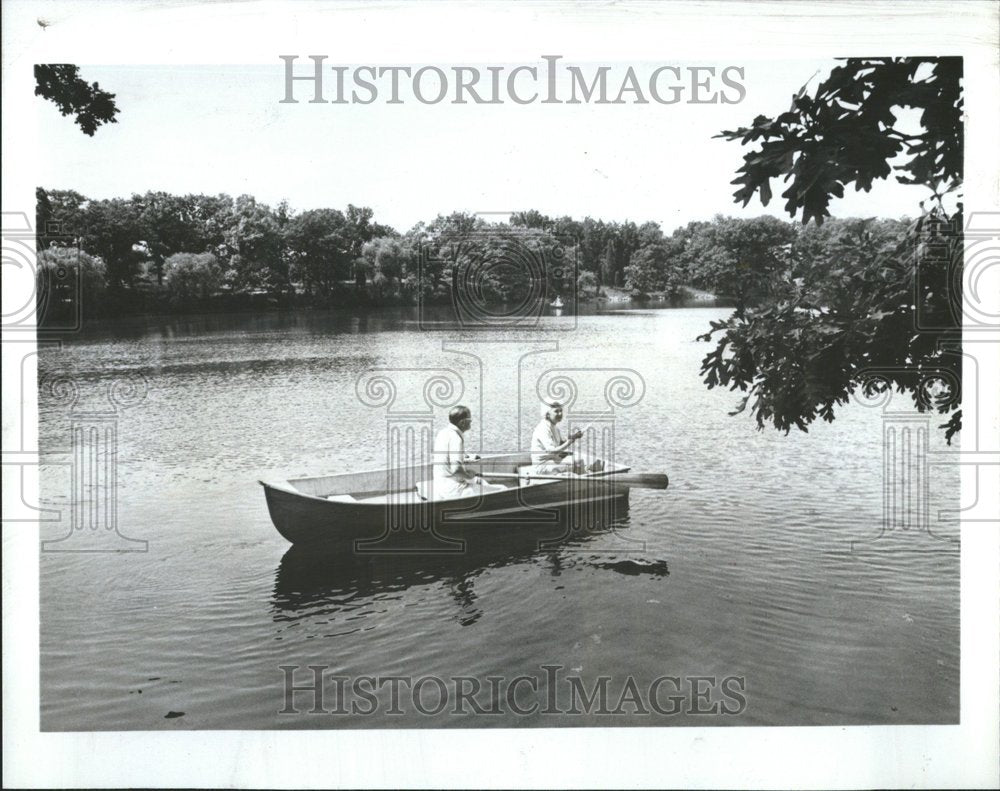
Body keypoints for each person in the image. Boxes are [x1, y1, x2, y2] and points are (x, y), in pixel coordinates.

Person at [430, 405, 504, 499]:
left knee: (479, 481)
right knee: (502, 489)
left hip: (440, 484)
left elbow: (447, 457)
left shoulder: (443, 433)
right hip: (454, 490)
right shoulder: (456, 439)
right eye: (470, 420)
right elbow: (456, 470)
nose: (471, 422)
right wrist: (468, 475)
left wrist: (467, 458)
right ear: (462, 422)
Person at [530, 401, 604, 475]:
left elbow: (560, 444)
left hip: (553, 460)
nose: (560, 414)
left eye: (561, 411)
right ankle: (586, 476)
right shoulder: (543, 428)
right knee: (577, 462)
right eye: (556, 411)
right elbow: (552, 451)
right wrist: (570, 441)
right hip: (542, 466)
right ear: (548, 414)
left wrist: (574, 437)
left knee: (578, 459)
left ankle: (586, 473)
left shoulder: (554, 427)